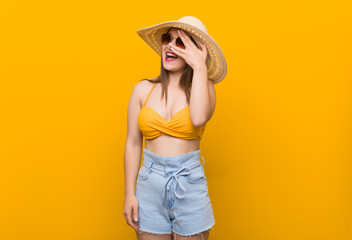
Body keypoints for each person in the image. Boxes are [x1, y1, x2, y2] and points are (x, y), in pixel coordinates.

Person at [123, 16, 227, 240]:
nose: (170, 46)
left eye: (181, 43)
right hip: (149, 183)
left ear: (196, 51)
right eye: (167, 39)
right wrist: (129, 193)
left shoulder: (205, 88)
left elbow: (199, 118)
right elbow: (133, 143)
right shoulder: (142, 90)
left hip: (188, 182)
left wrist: (200, 66)